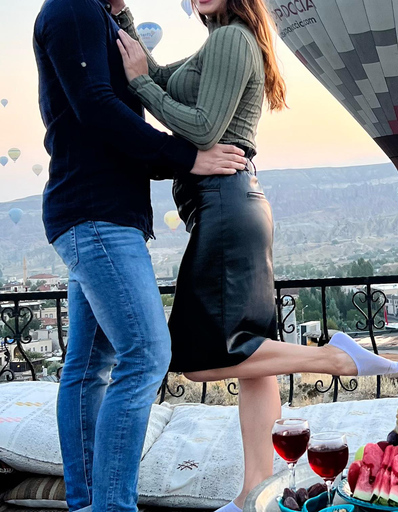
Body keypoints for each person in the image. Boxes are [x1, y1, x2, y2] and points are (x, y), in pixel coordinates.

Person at [113, 1, 398, 510]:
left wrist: (138, 83)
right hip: (231, 205)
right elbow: (159, 78)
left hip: (225, 204)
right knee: (255, 361)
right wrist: (124, 19)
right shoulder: (217, 42)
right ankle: (255, 493)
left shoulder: (232, 39)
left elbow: (203, 129)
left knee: (199, 360)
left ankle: (333, 358)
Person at [33, 0, 250, 510]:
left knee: (89, 367)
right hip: (96, 216)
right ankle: (112, 505)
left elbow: (109, 115)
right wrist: (188, 157)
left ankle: (89, 503)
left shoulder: (92, 14)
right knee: (147, 355)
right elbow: (96, 109)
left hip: (94, 213)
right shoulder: (73, 9)